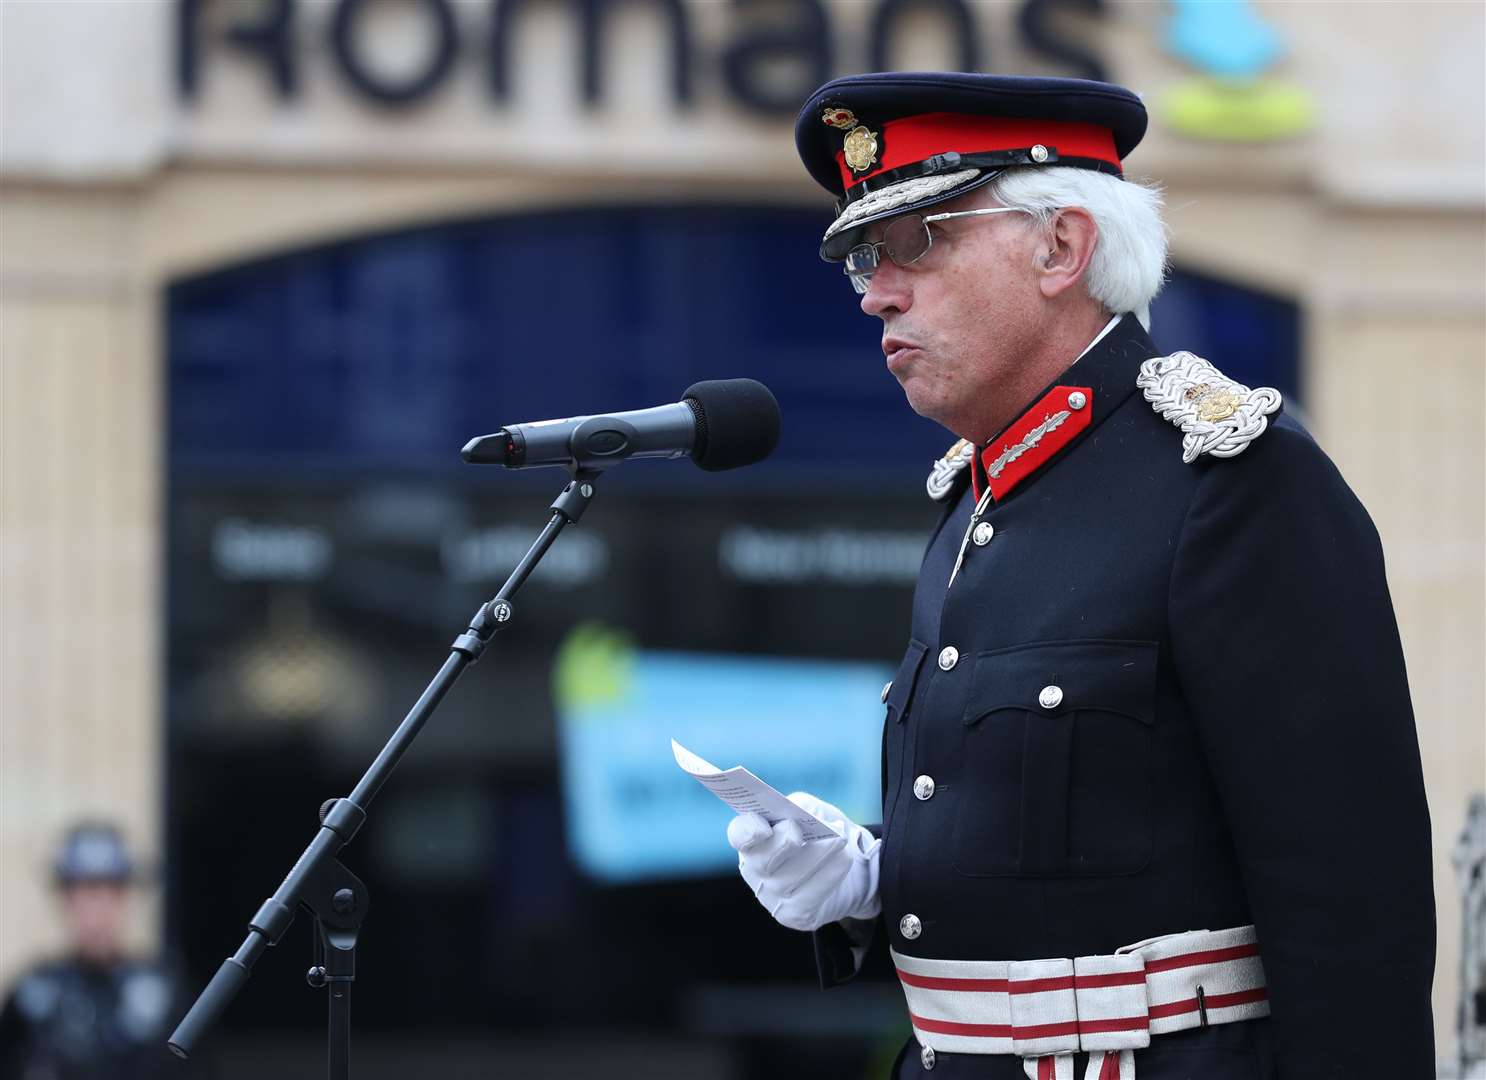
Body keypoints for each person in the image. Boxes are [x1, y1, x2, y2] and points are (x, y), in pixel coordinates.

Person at [724, 72, 1435, 1079]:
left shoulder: (1230, 482)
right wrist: (873, 872)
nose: (878, 290)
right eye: (865, 261)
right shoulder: (975, 498)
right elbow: (1090, 838)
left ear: (1060, 246)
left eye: (914, 242)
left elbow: (1350, 913)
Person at [0, 823, 181, 1080]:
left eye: (107, 894)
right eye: (83, 895)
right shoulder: (32, 996)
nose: (95, 915)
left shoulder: (163, 994)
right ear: (65, 900)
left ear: (124, 897)